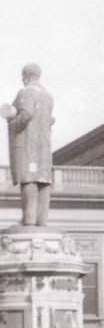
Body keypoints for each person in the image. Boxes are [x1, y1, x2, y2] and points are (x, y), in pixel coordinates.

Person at [0, 64, 54, 228]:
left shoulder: (26, 92)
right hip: (44, 146)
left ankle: (29, 220)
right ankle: (42, 221)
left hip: (28, 144)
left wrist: (12, 122)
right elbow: (50, 119)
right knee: (43, 180)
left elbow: (27, 113)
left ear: (25, 76)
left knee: (28, 179)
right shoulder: (48, 96)